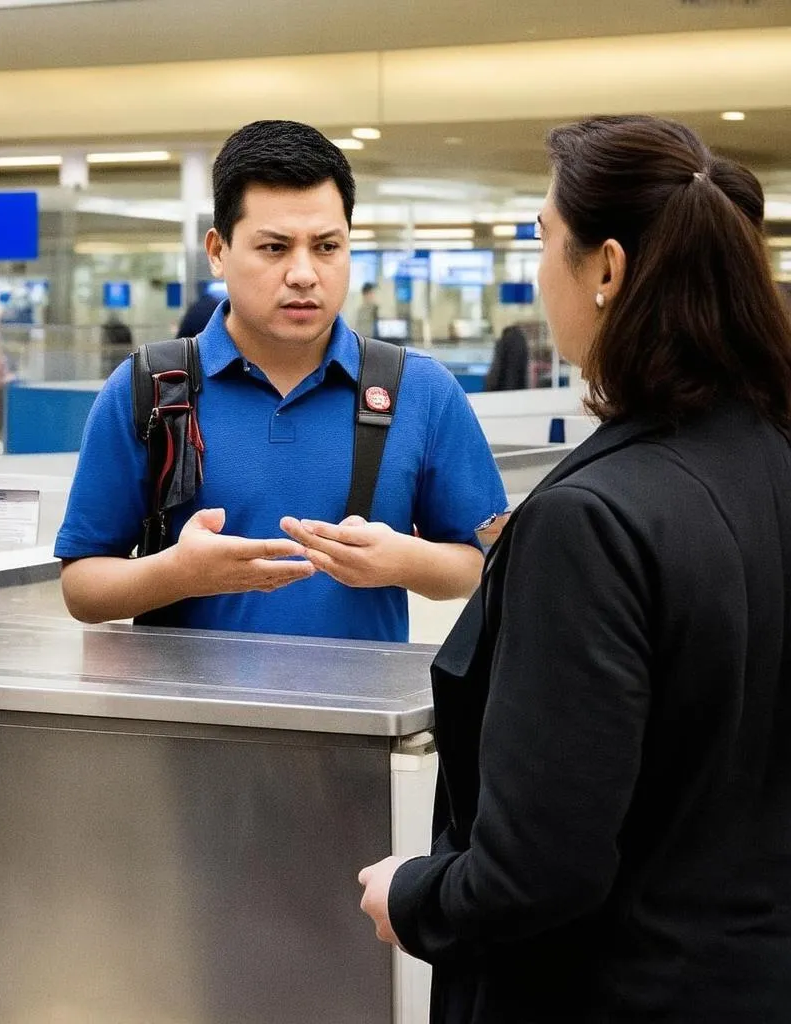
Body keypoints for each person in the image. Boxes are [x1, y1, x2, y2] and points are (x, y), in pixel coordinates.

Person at [358, 115, 791, 1021]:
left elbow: (537, 870)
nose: (540, 268)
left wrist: (411, 894)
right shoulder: (767, 457)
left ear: (609, 270)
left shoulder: (589, 523)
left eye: (546, 240)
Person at [55, 119, 506, 642]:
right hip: (186, 718)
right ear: (218, 251)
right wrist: (178, 574)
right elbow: (82, 588)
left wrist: (405, 561)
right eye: (274, 248)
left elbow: (483, 564)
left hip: (361, 718)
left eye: (327, 247)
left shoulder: (419, 390)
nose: (304, 274)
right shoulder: (150, 386)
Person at [483, 324, 529, 391]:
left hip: (500, 391)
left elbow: (496, 372)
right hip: (518, 391)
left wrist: (488, 387)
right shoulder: (522, 344)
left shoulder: (503, 342)